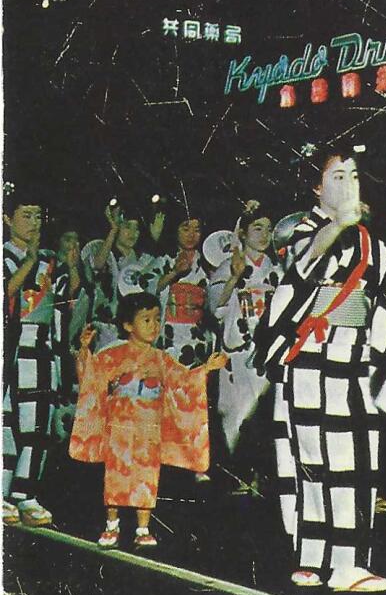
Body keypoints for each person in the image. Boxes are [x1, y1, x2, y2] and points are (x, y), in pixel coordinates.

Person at [254, 147, 386, 592]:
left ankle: (336, 560)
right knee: (314, 459)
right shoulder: (304, 229)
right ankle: (321, 559)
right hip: (308, 360)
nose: (348, 185)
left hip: (351, 357)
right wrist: (340, 225)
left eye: (353, 176)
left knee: (348, 460)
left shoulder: (366, 240)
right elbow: (306, 263)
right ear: (316, 187)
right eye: (337, 177)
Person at [70, 294, 227, 548]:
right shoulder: (114, 355)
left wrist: (205, 369)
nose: (153, 326)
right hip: (120, 423)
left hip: (149, 424)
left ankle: (143, 527)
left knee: (147, 474)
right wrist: (85, 350)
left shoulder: (161, 359)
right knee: (116, 474)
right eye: (146, 320)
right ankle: (112, 524)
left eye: (156, 319)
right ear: (128, 325)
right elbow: (92, 376)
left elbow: (183, 381)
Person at [2, 191, 74, 526]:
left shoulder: (51, 263)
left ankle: (24, 494)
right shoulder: (4, 258)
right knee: (8, 425)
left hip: (43, 351)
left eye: (38, 216)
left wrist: (62, 362)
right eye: (26, 215)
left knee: (38, 427)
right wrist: (29, 262)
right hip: (11, 352)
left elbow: (59, 315)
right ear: (7, 219)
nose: (34, 223)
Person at [209, 200, 282, 474]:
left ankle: (263, 474)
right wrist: (234, 277)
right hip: (238, 350)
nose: (264, 235)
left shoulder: (278, 270)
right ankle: (238, 472)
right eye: (257, 228)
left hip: (269, 351)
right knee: (236, 411)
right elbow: (215, 308)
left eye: (268, 229)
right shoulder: (228, 266)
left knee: (268, 411)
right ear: (243, 233)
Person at [84, 202, 164, 349]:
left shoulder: (142, 260)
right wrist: (113, 230)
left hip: (134, 333)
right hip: (105, 331)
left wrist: (154, 240)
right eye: (127, 226)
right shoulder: (104, 251)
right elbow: (97, 265)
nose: (132, 233)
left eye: (137, 229)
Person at [153, 215, 215, 368]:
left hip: (197, 336)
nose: (191, 235)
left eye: (197, 230)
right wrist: (173, 273)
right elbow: (149, 289)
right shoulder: (164, 259)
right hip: (168, 333)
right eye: (186, 229)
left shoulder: (208, 263)